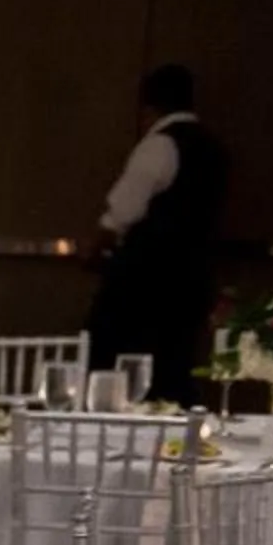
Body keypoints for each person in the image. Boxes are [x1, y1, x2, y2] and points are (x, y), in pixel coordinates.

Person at [88, 64, 228, 402]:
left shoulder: (160, 145)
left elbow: (124, 211)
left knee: (118, 367)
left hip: (144, 283)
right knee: (175, 369)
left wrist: (96, 247)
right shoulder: (214, 149)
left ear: (148, 107)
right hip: (193, 280)